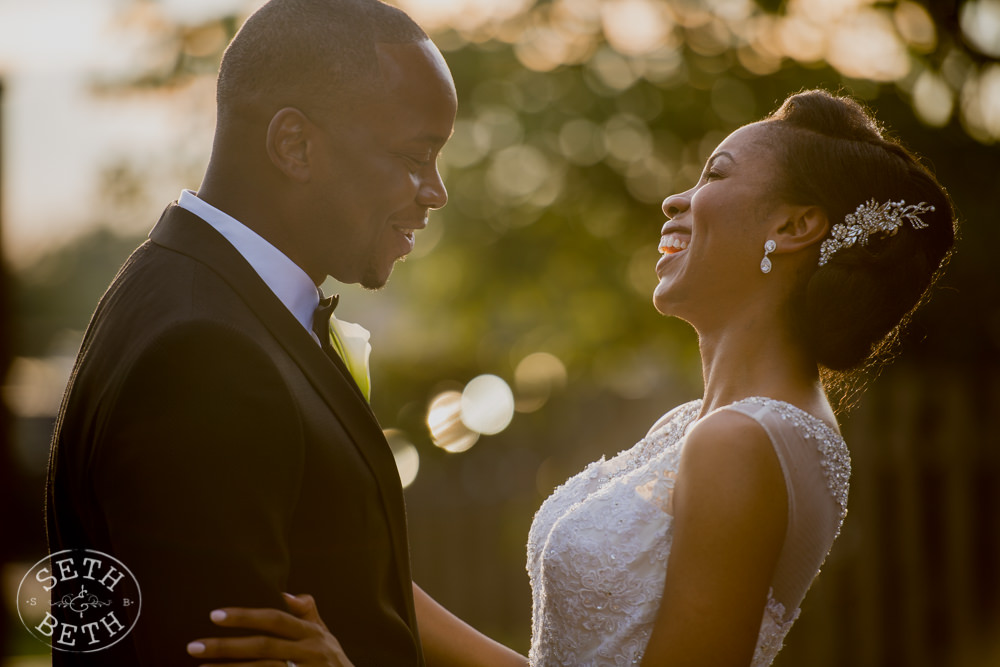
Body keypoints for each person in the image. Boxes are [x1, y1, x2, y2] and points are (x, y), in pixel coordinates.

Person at [187, 89, 956, 666]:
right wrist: (368, 588)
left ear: (794, 227)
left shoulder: (742, 442)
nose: (676, 197)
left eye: (715, 172)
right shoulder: (709, 425)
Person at [44, 0, 471, 664]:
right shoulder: (203, 357)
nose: (436, 191)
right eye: (418, 156)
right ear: (294, 145)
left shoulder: (206, 300)